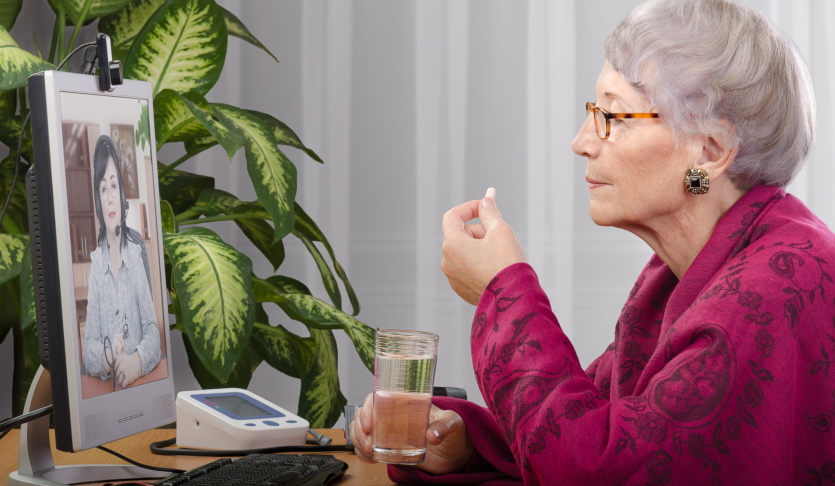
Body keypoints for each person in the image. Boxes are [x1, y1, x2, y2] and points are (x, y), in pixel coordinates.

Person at [350, 0, 835, 484]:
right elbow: (603, 422)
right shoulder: (685, 270)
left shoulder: (766, 294)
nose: (581, 141)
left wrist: (503, 292)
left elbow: (599, 472)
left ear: (709, 151)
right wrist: (467, 441)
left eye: (614, 115)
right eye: (593, 112)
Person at [83, 135, 160, 390]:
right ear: (98, 199)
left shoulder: (136, 253)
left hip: (141, 388)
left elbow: (153, 333)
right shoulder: (96, 264)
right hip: (109, 394)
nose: (110, 196)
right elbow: (88, 346)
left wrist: (136, 361)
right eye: (103, 188)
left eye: (114, 186)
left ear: (122, 192)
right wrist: (107, 357)